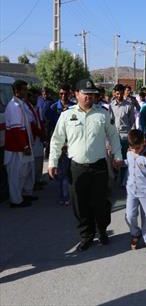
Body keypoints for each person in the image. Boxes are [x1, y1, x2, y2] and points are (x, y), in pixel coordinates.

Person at [48, 79, 123, 252]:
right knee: (80, 204)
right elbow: (57, 140)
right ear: (76, 94)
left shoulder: (103, 114)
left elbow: (113, 136)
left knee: (101, 203)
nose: (89, 97)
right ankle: (86, 236)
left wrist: (117, 156)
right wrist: (52, 162)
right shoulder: (67, 115)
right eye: (85, 93)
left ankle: (102, 230)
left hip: (98, 167)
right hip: (77, 167)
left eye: (92, 94)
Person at [4, 80, 35, 208]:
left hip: (21, 147)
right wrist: (24, 146)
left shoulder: (20, 104)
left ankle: (23, 196)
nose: (26, 91)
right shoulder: (14, 107)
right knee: (15, 176)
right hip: (16, 149)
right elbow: (17, 130)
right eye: (24, 89)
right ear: (17, 91)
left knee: (23, 173)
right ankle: (16, 201)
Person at [110, 84, 136, 187]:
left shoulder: (129, 105)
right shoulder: (111, 106)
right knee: (115, 158)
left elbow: (131, 121)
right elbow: (110, 121)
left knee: (125, 159)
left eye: (121, 93)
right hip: (114, 136)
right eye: (117, 93)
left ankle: (123, 181)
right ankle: (116, 175)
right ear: (114, 93)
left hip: (125, 135)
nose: (119, 95)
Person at [25, 89, 45, 190]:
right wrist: (39, 134)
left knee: (40, 159)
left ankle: (38, 180)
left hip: (39, 137)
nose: (36, 99)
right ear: (28, 98)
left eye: (37, 97)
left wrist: (43, 135)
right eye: (34, 97)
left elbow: (41, 122)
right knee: (34, 161)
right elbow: (31, 125)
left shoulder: (38, 108)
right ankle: (33, 182)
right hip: (33, 137)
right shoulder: (26, 108)